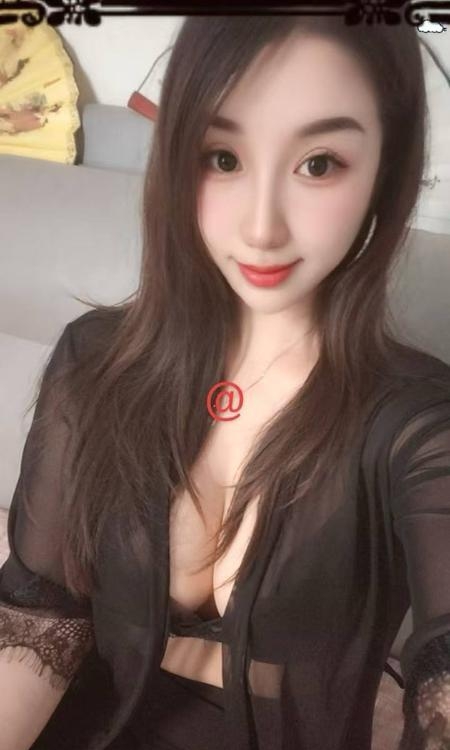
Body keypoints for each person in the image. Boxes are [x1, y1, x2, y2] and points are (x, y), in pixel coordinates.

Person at [0, 15, 450, 750]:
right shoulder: (94, 362)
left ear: (386, 171)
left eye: (319, 164)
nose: (262, 228)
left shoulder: (419, 425)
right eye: (223, 157)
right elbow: (40, 617)